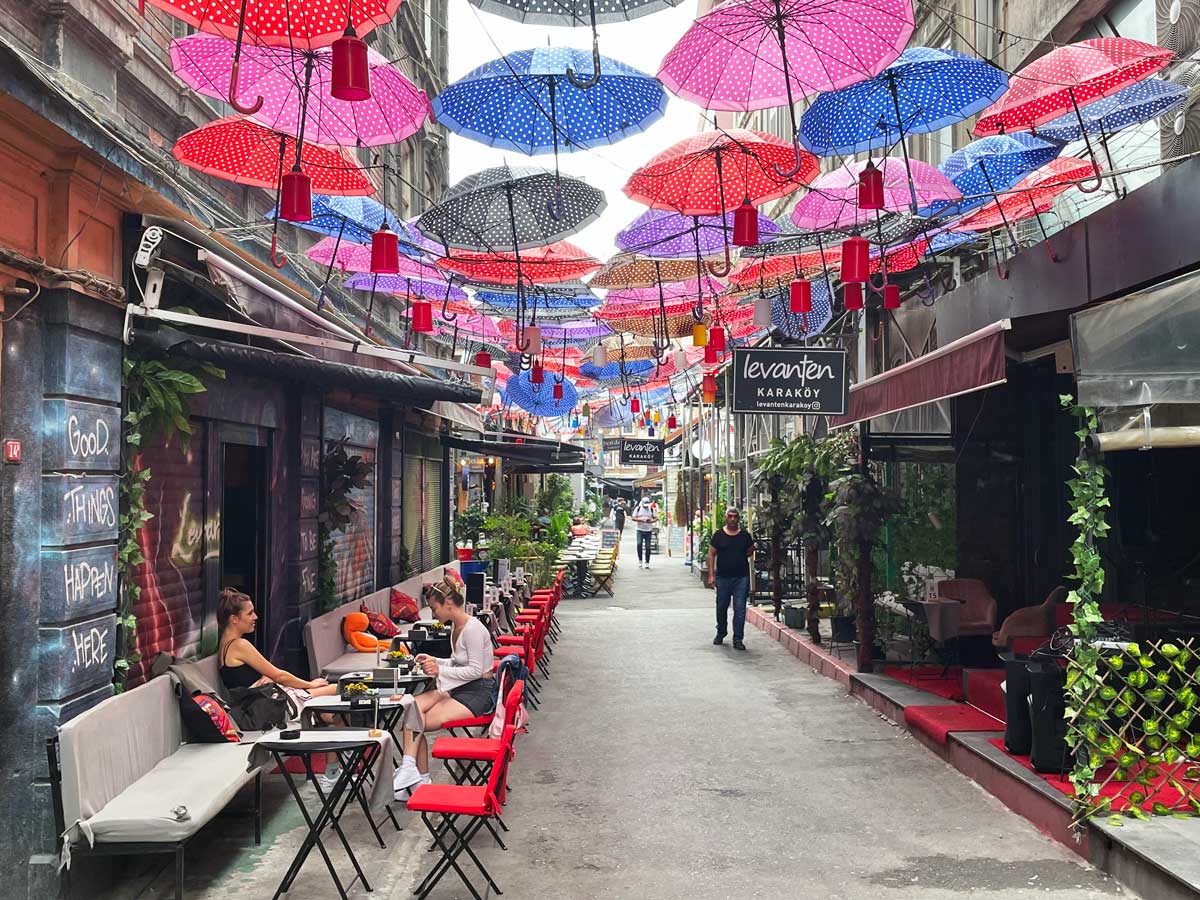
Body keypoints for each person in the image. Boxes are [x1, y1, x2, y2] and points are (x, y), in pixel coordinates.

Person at [217, 588, 341, 785]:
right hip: (271, 708)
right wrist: (310, 683)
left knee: (332, 708)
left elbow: (257, 677)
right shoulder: (239, 645)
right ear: (233, 619)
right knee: (338, 694)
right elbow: (279, 675)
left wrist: (266, 679)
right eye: (249, 613)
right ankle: (336, 769)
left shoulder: (224, 645)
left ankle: (334, 771)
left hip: (268, 703)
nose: (255, 617)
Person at [394, 581, 496, 794]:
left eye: (434, 608)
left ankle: (417, 776)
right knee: (413, 708)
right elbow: (458, 662)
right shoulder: (456, 627)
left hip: (479, 691)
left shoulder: (472, 629)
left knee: (419, 721)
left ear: (448, 603)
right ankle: (412, 771)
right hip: (461, 686)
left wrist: (439, 670)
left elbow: (476, 671)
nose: (433, 613)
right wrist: (436, 660)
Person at [706, 508, 756, 650]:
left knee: (740, 609)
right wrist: (711, 575)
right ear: (725, 517)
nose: (733, 519)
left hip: (741, 578)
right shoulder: (718, 536)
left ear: (739, 518)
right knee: (721, 607)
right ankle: (721, 632)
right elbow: (711, 554)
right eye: (730, 516)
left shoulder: (745, 536)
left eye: (735, 516)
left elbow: (750, 550)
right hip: (723, 578)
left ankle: (738, 638)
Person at [632, 497, 656, 569]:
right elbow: (633, 517)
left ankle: (647, 562)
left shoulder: (651, 509)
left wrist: (650, 521)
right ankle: (640, 560)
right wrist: (641, 519)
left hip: (648, 530)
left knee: (648, 546)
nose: (646, 506)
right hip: (640, 529)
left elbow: (655, 518)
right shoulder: (638, 508)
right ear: (642, 503)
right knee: (639, 544)